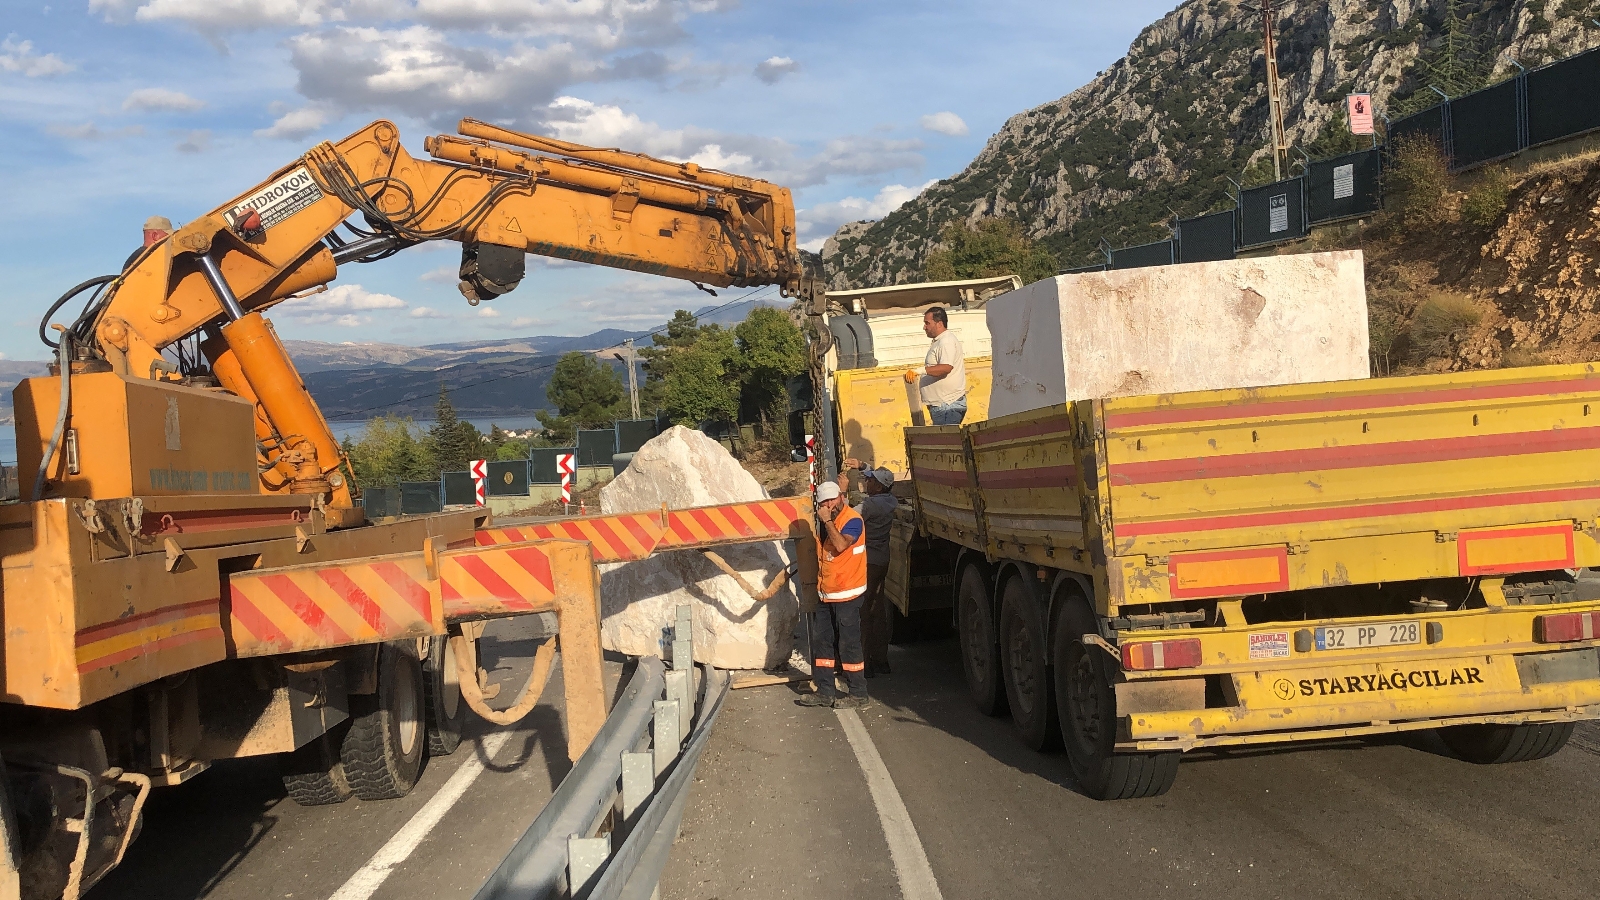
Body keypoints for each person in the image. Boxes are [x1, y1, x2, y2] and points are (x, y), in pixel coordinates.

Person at [798, 480, 870, 709]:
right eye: (825, 502)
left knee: (849, 644)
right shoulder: (824, 522)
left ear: (841, 497)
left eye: (833, 499)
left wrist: (827, 520)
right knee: (823, 644)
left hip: (848, 593)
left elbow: (840, 546)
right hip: (827, 593)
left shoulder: (852, 521)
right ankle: (825, 691)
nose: (830, 505)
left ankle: (858, 693)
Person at [856, 466, 898, 676]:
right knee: (878, 609)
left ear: (879, 486)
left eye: (871, 480)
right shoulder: (891, 501)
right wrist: (864, 467)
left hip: (867, 562)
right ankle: (881, 660)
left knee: (864, 611)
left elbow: (848, 516)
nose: (867, 482)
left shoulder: (869, 506)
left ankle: (865, 663)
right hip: (882, 561)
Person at [904, 306, 967, 425]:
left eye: (927, 323)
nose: (924, 327)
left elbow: (946, 367)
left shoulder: (946, 341)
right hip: (943, 405)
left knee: (947, 442)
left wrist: (919, 371)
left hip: (947, 405)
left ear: (939, 323)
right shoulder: (940, 341)